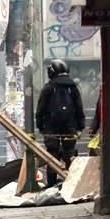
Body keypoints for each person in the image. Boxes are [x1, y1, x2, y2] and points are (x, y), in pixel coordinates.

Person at [35, 59, 85, 187]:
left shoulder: (48, 88)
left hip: (51, 129)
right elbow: (79, 108)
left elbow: (40, 109)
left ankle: (51, 183)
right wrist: (80, 126)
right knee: (70, 153)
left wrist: (41, 126)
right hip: (70, 127)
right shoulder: (72, 87)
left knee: (52, 155)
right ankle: (71, 182)